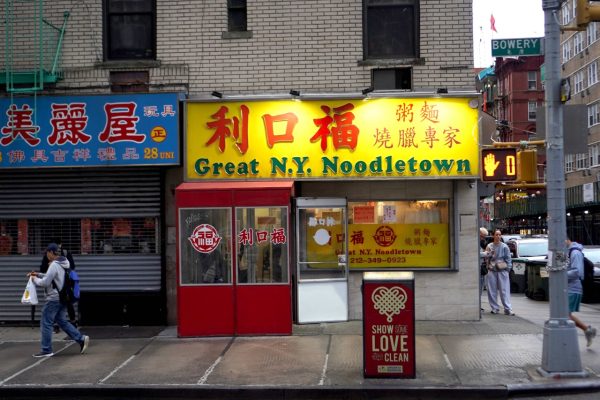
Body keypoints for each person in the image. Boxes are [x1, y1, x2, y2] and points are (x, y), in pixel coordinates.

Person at [28, 243, 89, 358]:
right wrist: (38, 274)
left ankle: (46, 350)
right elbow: (52, 277)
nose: (46, 255)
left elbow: (45, 282)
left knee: (46, 323)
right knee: (62, 321)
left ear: (51, 252)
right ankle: (81, 339)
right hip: (62, 298)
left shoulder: (54, 265)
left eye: (47, 253)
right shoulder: (63, 262)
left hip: (53, 299)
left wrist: (34, 279)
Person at [566, 237, 597, 347]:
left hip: (572, 288)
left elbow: (577, 272)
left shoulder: (574, 252)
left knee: (563, 315)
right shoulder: (569, 252)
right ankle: (587, 330)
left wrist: (561, 275)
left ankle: (568, 342)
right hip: (569, 288)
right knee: (565, 314)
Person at [40, 239, 78, 329]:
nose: (58, 248)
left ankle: (72, 322)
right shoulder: (49, 255)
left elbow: (72, 266)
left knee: (67, 303)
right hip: (55, 284)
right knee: (62, 305)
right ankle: (60, 325)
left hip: (65, 282)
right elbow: (43, 268)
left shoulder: (65, 254)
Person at [485, 229, 515, 315]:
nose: (498, 236)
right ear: (493, 235)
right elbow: (486, 258)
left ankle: (508, 308)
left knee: (504, 290)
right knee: (491, 290)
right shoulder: (489, 246)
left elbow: (508, 259)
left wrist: (507, 270)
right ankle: (494, 308)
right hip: (492, 270)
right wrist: (489, 261)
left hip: (502, 270)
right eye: (496, 234)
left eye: (499, 235)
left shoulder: (504, 246)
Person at [479, 227, 489, 310]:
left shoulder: (482, 243)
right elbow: (476, 253)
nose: (483, 238)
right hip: (477, 267)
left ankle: (478, 304)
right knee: (479, 287)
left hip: (482, 267)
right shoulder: (475, 242)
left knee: (481, 287)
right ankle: (477, 304)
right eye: (483, 236)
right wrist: (486, 253)